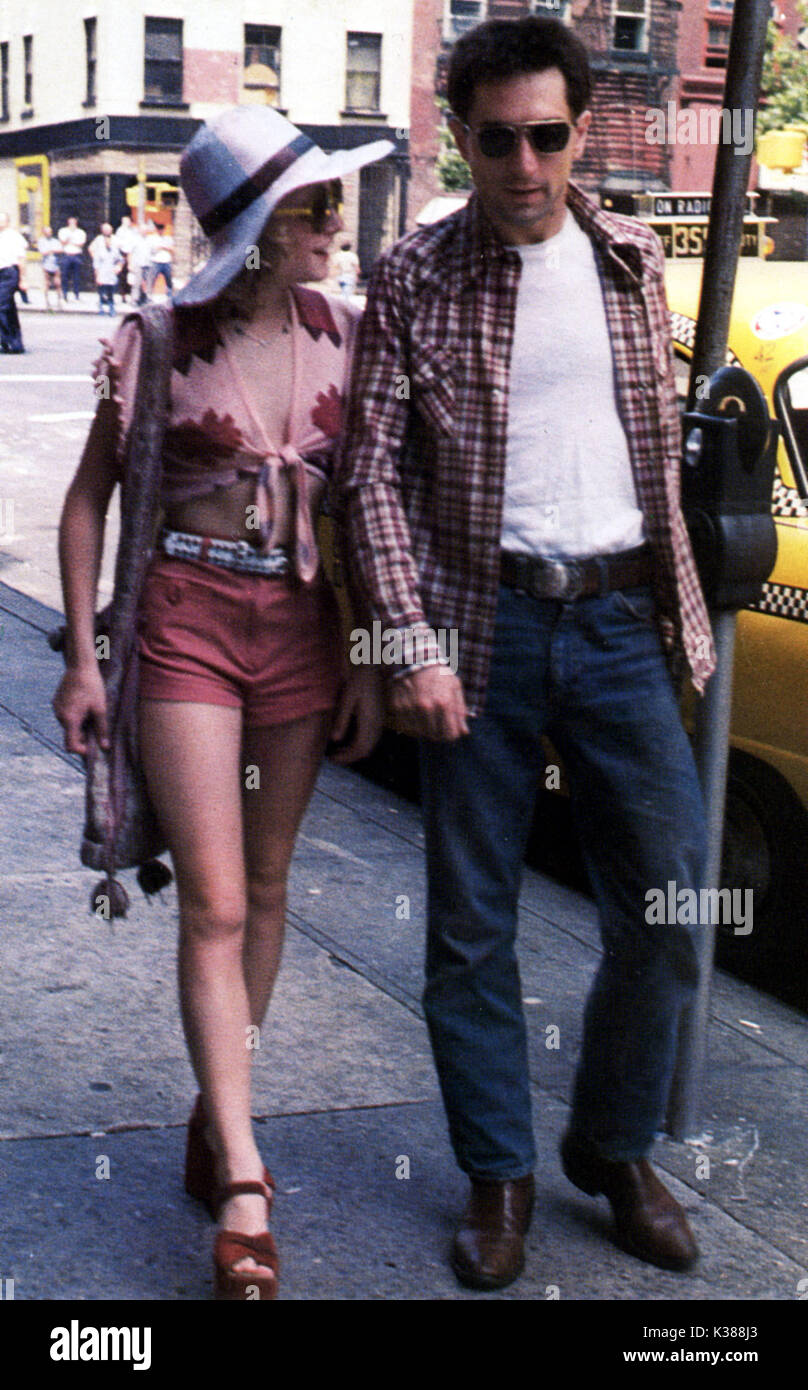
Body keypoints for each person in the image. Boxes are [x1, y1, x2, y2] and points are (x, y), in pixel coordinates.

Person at [336, 14, 716, 1290]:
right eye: (497, 139)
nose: (524, 164)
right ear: (463, 136)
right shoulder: (414, 278)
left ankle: (608, 1150)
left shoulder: (627, 258)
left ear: (579, 129)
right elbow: (367, 481)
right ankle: (496, 1175)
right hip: (474, 627)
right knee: (469, 926)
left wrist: (677, 617)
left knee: (670, 907)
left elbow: (650, 454)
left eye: (546, 136)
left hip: (616, 625)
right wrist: (410, 648)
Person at [53, 105, 391, 1300]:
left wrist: (360, 654)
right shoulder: (159, 338)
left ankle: (217, 1109)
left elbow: (358, 514)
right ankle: (245, 1176)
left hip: (299, 631)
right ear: (256, 227)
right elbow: (91, 498)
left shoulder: (348, 337)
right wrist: (85, 659)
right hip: (188, 624)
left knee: (267, 884)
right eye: (311, 207)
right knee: (212, 899)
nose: (334, 224)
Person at [0, 212, 27, 352]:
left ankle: (6, 340)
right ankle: (16, 344)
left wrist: (23, 279)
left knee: (1, 307)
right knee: (9, 310)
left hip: (9, 273)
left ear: (7, 222)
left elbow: (21, 259)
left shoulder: (14, 236)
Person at [89, 223, 123, 316]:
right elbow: (92, 252)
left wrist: (118, 267)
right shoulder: (99, 241)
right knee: (102, 291)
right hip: (102, 271)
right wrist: (97, 275)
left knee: (110, 291)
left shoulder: (115, 243)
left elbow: (120, 259)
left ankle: (111, 307)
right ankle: (101, 307)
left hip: (111, 272)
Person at [58, 216, 87, 300]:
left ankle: (76, 293)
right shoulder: (63, 231)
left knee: (77, 276)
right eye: (70, 222)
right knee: (64, 275)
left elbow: (81, 244)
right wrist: (70, 239)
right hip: (66, 255)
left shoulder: (81, 232)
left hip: (76, 255)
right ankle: (65, 293)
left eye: (73, 222)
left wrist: (71, 241)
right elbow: (62, 242)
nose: (72, 224)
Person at [144, 223, 174, 297]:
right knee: (151, 279)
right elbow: (152, 250)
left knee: (169, 279)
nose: (160, 231)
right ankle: (149, 295)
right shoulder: (152, 238)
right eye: (159, 229)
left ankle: (169, 294)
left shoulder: (168, 238)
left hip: (166, 261)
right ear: (156, 230)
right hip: (156, 261)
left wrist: (164, 247)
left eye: (162, 229)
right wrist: (162, 247)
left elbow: (172, 248)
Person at [37, 225, 63, 310]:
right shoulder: (41, 241)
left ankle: (59, 300)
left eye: (50, 232)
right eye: (47, 232)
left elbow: (60, 250)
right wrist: (50, 251)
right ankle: (47, 301)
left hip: (55, 263)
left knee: (57, 283)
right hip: (46, 263)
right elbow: (43, 252)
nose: (48, 234)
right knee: (46, 283)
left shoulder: (55, 241)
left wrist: (52, 251)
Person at [114, 215, 139, 301]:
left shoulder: (133, 231)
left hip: (133, 254)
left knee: (133, 275)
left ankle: (133, 294)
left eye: (127, 221)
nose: (126, 223)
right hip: (123, 254)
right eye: (124, 221)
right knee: (123, 275)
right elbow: (118, 243)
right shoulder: (120, 231)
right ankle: (123, 295)